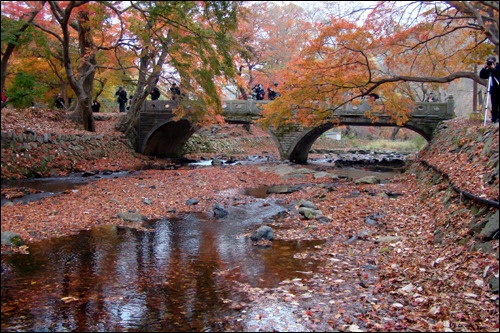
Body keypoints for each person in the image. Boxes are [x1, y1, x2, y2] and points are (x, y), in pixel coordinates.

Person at [479, 55, 500, 123]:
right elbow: (482, 76)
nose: (490, 64)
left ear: (495, 62)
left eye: (491, 62)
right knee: (494, 105)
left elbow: (498, 73)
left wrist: (493, 68)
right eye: (489, 62)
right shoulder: (488, 69)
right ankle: (494, 119)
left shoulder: (498, 67)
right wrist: (484, 67)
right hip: (493, 89)